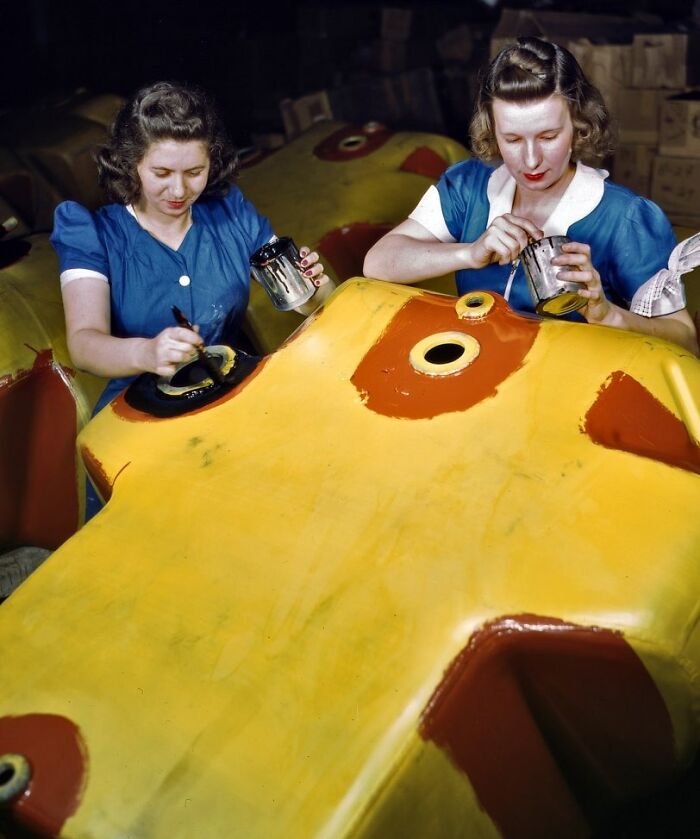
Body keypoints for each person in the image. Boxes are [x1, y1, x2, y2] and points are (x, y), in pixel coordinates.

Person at [50, 80, 332, 517]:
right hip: (140, 418)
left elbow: (303, 302)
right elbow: (85, 345)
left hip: (232, 394)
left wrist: (316, 287)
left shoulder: (230, 212)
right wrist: (147, 351)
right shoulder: (91, 232)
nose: (179, 190)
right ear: (131, 164)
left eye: (194, 172)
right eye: (161, 173)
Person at [363, 37, 698, 355]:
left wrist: (607, 315)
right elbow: (378, 263)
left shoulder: (627, 219)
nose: (532, 160)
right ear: (491, 129)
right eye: (512, 139)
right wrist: (469, 253)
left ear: (578, 124)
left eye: (548, 136)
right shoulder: (468, 187)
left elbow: (686, 341)